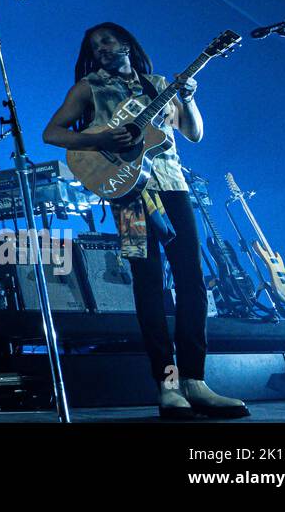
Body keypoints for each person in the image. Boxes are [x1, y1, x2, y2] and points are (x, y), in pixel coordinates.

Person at [42, 22, 249, 419]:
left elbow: (194, 134)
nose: (101, 47)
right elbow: (52, 133)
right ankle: (167, 385)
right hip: (127, 194)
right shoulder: (88, 87)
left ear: (126, 43)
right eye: (93, 45)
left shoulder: (158, 85)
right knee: (149, 283)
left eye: (107, 40)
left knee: (192, 281)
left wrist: (188, 100)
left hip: (173, 189)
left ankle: (196, 381)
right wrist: (98, 139)